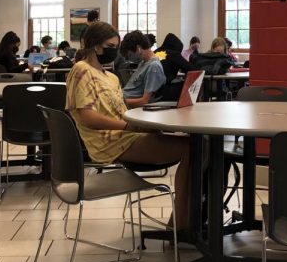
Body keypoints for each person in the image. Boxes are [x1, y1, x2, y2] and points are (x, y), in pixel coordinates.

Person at [66, 22, 191, 227]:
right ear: (95, 45)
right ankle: (180, 224)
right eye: (110, 45)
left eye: (116, 46)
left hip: (126, 135)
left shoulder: (112, 78)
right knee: (191, 149)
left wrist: (147, 123)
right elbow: (87, 116)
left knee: (198, 144)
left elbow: (123, 112)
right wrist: (128, 127)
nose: (114, 51)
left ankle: (190, 217)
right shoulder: (82, 70)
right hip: (109, 142)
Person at [119, 30, 166, 107]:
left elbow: (144, 101)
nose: (130, 59)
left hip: (125, 105)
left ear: (138, 48)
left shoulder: (154, 67)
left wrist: (119, 101)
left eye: (130, 54)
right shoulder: (143, 63)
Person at [155, 33, 201, 99]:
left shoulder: (155, 52)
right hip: (161, 91)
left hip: (149, 90)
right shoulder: (173, 54)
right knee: (190, 86)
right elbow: (191, 69)